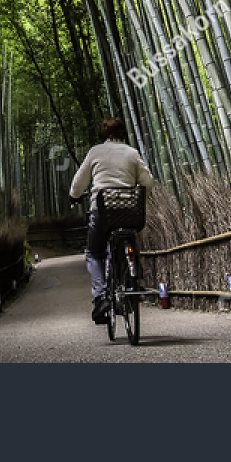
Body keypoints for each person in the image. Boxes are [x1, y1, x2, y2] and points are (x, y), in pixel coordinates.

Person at [68, 118, 154, 323]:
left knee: (94, 253)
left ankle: (100, 298)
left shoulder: (95, 152)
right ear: (123, 133)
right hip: (130, 211)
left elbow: (78, 184)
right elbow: (148, 182)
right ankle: (133, 278)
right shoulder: (132, 153)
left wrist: (74, 196)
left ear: (103, 135)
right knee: (131, 237)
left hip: (102, 211)